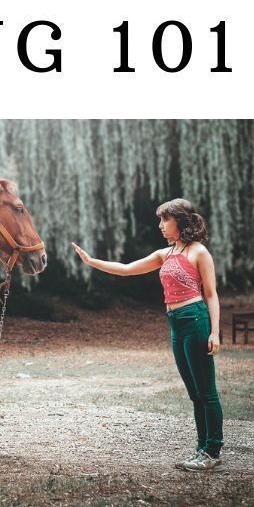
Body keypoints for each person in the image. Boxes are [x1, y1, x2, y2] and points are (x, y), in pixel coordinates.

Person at [72, 198, 224, 471]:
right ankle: (201, 449)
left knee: (206, 392)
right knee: (194, 393)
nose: (161, 225)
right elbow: (128, 269)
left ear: (181, 220)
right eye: (160, 220)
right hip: (175, 322)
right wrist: (92, 261)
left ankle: (212, 451)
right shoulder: (164, 255)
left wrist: (214, 332)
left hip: (195, 319)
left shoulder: (199, 252)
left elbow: (211, 295)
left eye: (165, 220)